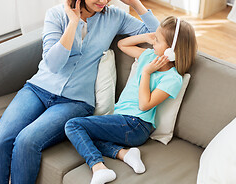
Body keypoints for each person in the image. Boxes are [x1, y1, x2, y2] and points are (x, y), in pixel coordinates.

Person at [0, 0, 159, 184]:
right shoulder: (56, 15)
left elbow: (158, 36)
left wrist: (134, 2)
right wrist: (73, 22)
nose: (104, 1)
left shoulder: (115, 17)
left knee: (27, 141)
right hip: (37, 89)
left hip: (75, 102)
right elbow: (53, 64)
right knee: (0, 142)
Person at [65, 16, 198, 184]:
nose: (152, 43)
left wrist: (146, 73)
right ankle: (125, 154)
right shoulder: (148, 56)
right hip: (122, 120)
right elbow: (123, 45)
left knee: (73, 125)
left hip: (136, 125)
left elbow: (144, 105)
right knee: (84, 136)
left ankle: (98, 167)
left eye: (157, 41)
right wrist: (146, 37)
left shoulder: (172, 79)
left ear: (171, 50)